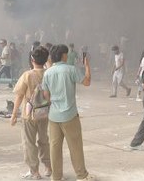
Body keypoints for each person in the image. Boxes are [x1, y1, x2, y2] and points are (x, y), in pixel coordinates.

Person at [42, 44, 93, 181]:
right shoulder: (71, 70)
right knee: (75, 146)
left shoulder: (47, 73)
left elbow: (46, 94)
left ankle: (56, 177)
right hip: (69, 115)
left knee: (54, 148)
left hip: (53, 116)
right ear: (64, 55)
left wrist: (53, 103)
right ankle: (81, 175)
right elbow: (87, 82)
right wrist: (87, 66)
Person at [12, 46, 52, 179]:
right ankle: (48, 167)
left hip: (29, 115)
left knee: (29, 142)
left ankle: (34, 171)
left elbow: (19, 96)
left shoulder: (27, 75)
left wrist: (14, 114)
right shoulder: (49, 73)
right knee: (44, 140)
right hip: (45, 113)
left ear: (32, 59)